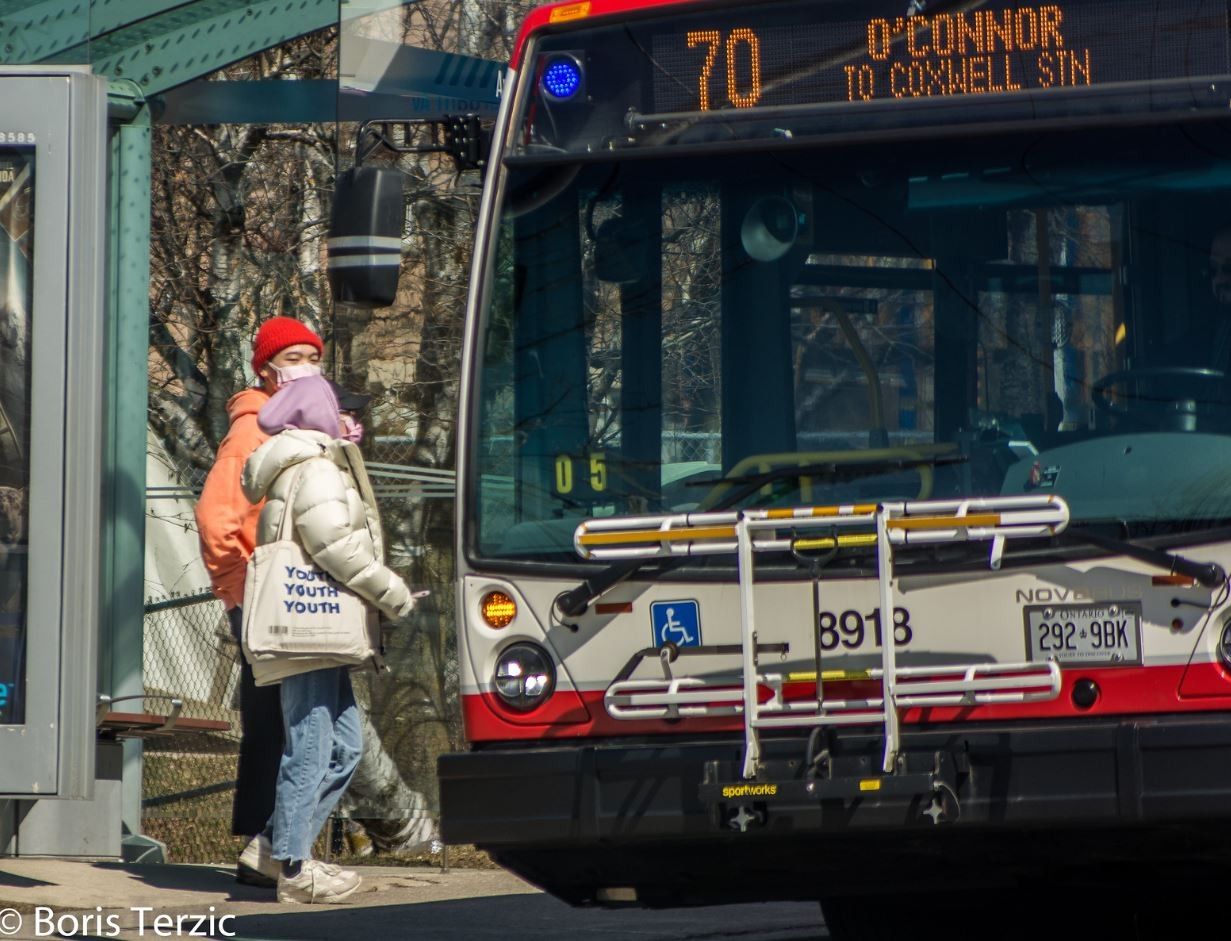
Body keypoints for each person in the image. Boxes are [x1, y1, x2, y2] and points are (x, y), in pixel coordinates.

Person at [241, 371, 424, 904]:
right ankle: (295, 870)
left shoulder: (306, 461)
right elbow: (336, 548)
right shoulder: (317, 466)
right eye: (345, 410)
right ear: (319, 414)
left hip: (312, 627)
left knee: (342, 746)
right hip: (311, 629)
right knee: (314, 746)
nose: (355, 420)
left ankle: (275, 846)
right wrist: (393, 593)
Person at [194, 316, 324, 887]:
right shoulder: (251, 433)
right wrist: (242, 591)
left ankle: (266, 845)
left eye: (313, 356)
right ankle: (271, 848)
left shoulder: (293, 428)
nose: (306, 367)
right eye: (293, 356)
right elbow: (216, 518)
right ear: (266, 370)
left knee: (283, 722)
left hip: (287, 598)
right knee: (292, 723)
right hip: (265, 599)